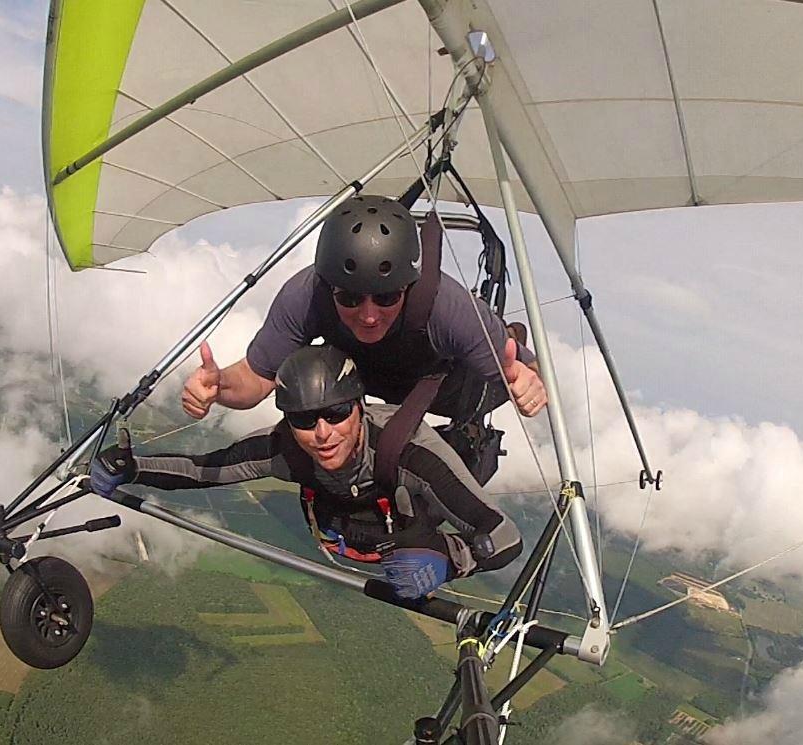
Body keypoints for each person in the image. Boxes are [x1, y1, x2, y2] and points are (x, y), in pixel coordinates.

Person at [92, 345, 523, 600]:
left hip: (419, 525)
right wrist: (133, 467)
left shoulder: (408, 450)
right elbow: (206, 469)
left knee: (440, 493)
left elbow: (504, 534)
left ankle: (512, 353)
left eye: (336, 414)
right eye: (303, 419)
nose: (322, 433)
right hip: (347, 538)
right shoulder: (287, 449)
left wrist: (453, 560)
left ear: (358, 407)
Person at [180, 195, 546, 429]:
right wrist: (218, 387)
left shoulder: (451, 310)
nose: (369, 315)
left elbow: (529, 374)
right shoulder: (306, 297)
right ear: (329, 287)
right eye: (350, 298)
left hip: (453, 389)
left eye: (386, 298)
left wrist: (527, 382)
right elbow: (256, 379)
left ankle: (509, 333)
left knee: (489, 376)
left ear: (407, 287)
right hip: (372, 377)